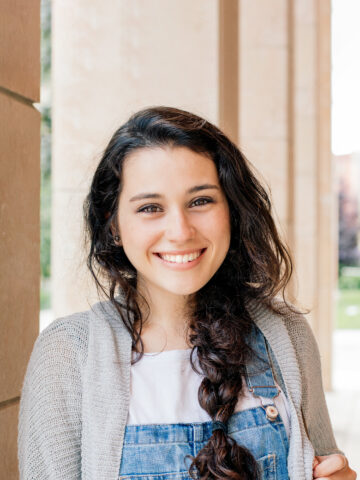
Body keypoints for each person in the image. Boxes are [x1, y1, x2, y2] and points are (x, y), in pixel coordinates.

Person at [18, 106, 356, 480]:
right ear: (114, 226)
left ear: (232, 209)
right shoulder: (68, 355)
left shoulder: (286, 336)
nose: (180, 231)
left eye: (200, 201)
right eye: (150, 208)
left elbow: (328, 462)